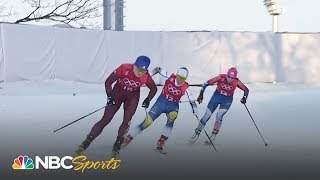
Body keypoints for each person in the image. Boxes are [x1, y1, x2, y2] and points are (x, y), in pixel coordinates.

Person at [76, 56, 157, 157]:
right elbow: (108, 82)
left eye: (143, 71)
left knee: (127, 120)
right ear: (134, 65)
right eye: (138, 69)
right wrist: (110, 96)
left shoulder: (146, 77)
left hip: (132, 97)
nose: (140, 73)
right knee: (106, 119)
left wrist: (148, 99)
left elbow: (153, 89)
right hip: (117, 93)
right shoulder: (124, 68)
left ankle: (118, 142)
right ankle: (88, 140)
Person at [121, 67, 198, 153]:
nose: (180, 80)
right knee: (147, 122)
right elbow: (158, 69)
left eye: (183, 78)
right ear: (176, 75)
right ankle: (129, 138)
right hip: (161, 102)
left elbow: (191, 98)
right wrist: (146, 76)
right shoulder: (170, 76)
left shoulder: (185, 86)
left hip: (173, 106)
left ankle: (162, 141)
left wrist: (194, 107)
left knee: (172, 118)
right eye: (179, 77)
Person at [190, 67, 249, 143]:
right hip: (216, 97)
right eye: (228, 76)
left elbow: (246, 90)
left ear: (235, 77)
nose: (230, 79)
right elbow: (206, 83)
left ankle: (213, 135)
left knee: (219, 115)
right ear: (226, 74)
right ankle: (197, 132)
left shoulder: (236, 81)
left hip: (227, 100)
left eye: (232, 77)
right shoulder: (221, 77)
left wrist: (244, 98)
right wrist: (201, 95)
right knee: (207, 114)